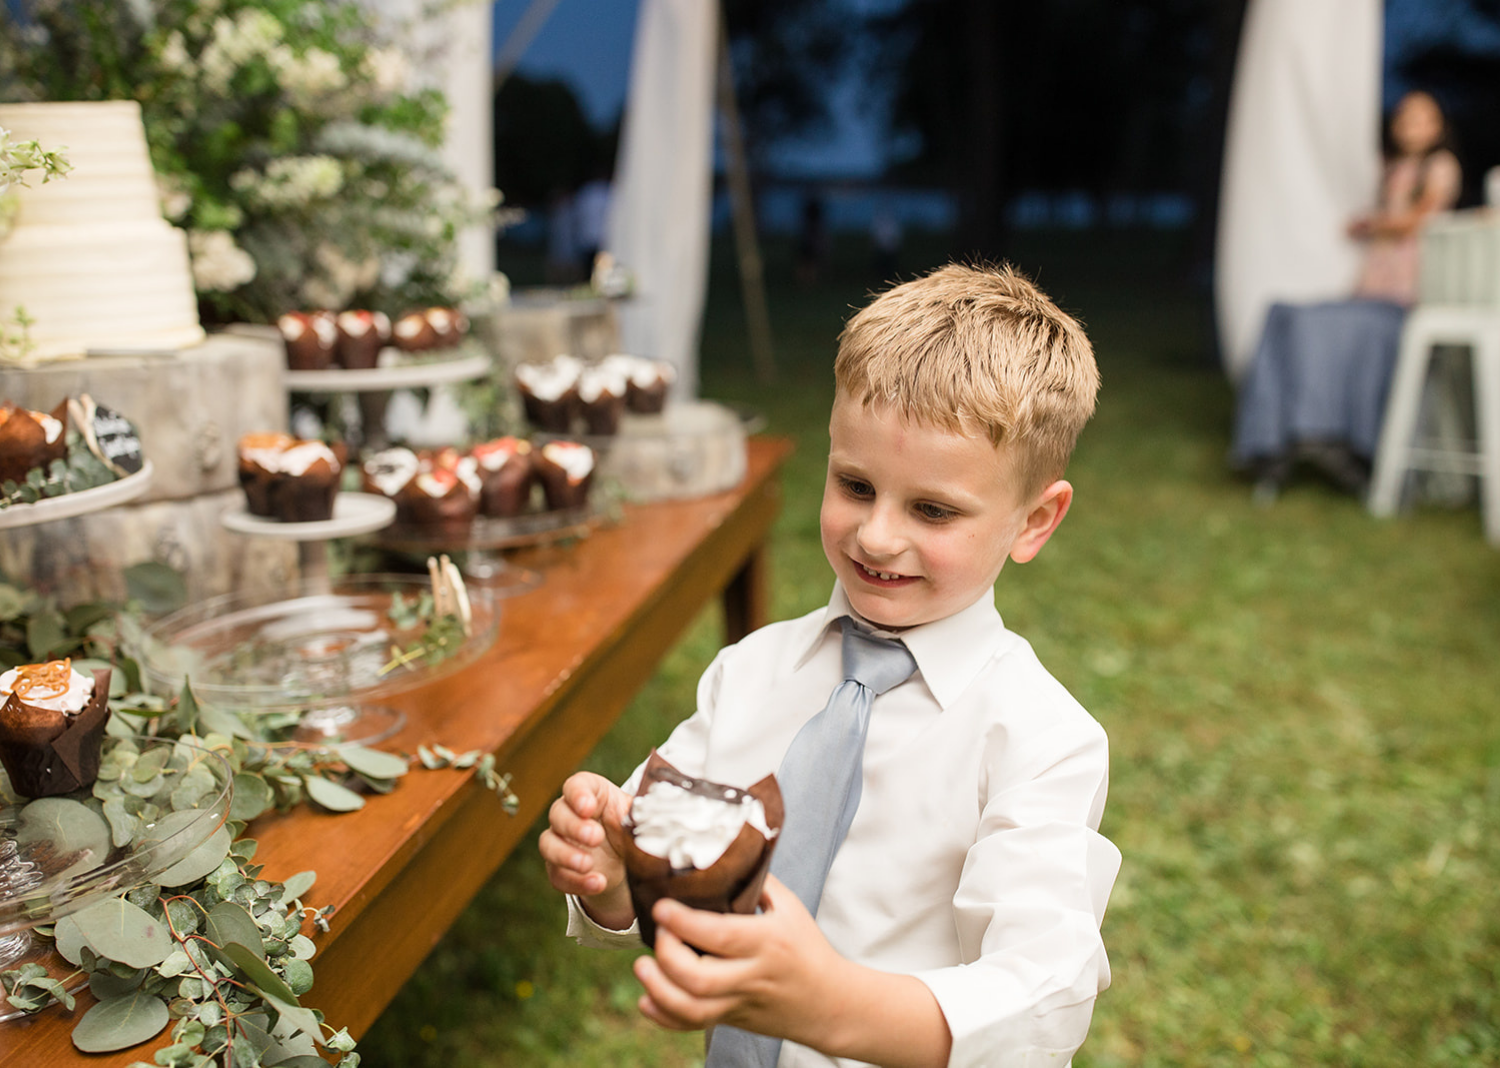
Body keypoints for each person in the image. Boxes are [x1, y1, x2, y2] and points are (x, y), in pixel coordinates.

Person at [541, 263, 1120, 1067]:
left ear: (1034, 521)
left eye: (932, 509)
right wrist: (611, 878)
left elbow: (1040, 993)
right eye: (854, 484)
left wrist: (827, 1006)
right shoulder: (751, 673)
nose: (876, 537)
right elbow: (673, 875)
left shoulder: (1039, 737)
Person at [1231, 90, 1462, 499]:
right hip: (1367, 293)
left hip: (1402, 298)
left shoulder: (1439, 168)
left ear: (1438, 127)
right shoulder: (1389, 170)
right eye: (1405, 118)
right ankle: (1269, 438)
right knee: (1285, 316)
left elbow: (1415, 220)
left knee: (1326, 326)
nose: (1411, 128)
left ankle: (1325, 435)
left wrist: (1372, 225)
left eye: (1422, 119)